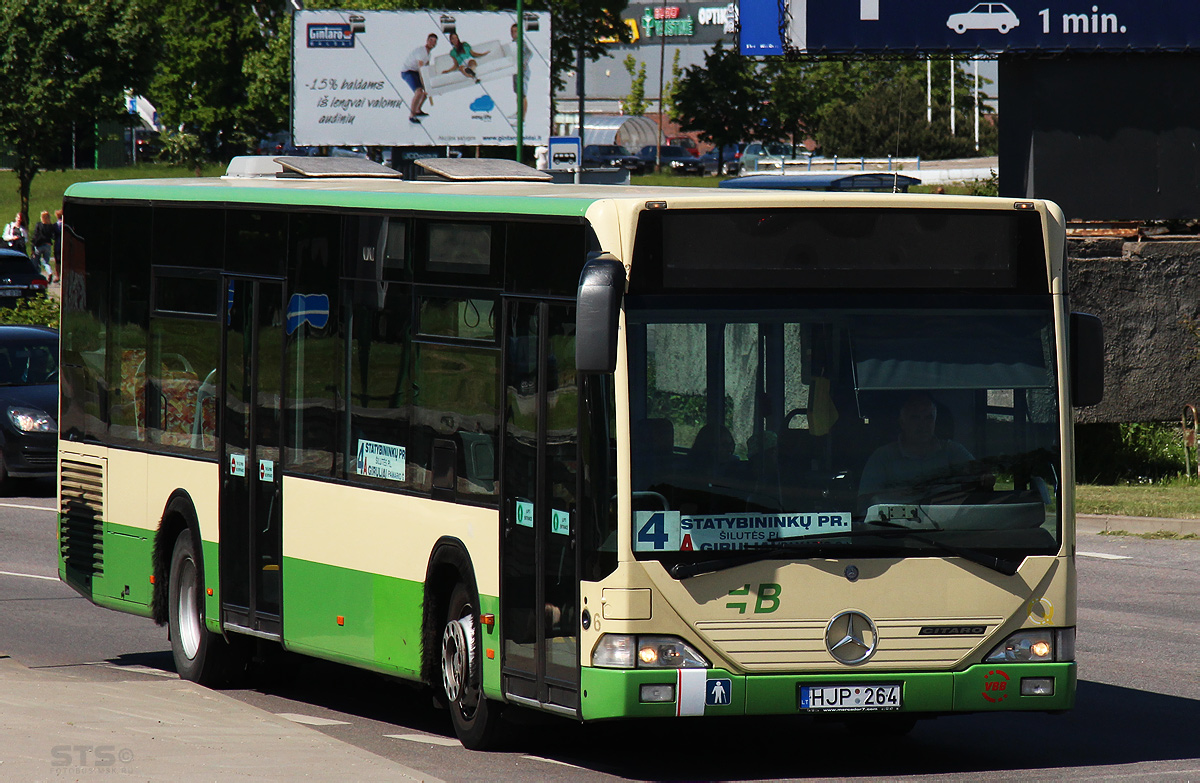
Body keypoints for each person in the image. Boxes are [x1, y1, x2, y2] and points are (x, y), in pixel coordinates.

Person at [858, 392, 989, 506]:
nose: (923, 425)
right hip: (895, 530)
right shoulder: (882, 457)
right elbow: (865, 502)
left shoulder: (953, 452)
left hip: (949, 527)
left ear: (935, 421)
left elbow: (982, 480)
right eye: (915, 418)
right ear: (902, 422)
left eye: (928, 418)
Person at [401, 33, 437, 124]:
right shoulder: (421, 52)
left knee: (427, 91)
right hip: (408, 72)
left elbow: (427, 68)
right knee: (419, 92)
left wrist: (428, 83)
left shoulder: (429, 54)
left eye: (434, 41)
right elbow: (421, 70)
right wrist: (424, 82)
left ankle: (418, 110)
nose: (432, 43)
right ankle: (412, 116)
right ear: (427, 41)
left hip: (416, 72)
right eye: (431, 40)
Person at [510, 23, 529, 119]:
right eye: (512, 31)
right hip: (516, 70)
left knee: (522, 94)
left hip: (522, 71)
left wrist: (523, 63)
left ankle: (523, 117)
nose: (513, 33)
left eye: (515, 31)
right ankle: (518, 113)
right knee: (518, 93)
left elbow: (529, 53)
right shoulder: (514, 42)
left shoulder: (521, 42)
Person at [31, 211, 54, 280]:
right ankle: (49, 272)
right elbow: (53, 236)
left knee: (36, 261)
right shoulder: (50, 226)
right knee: (46, 262)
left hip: (39, 245)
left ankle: (37, 276)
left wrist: (33, 245)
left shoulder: (39, 225)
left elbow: (35, 235)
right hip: (48, 245)